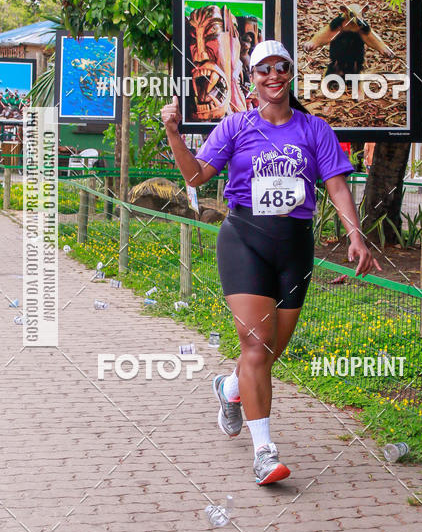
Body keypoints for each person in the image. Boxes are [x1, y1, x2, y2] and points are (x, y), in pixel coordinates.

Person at [161, 40, 381, 486]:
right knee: (257, 344)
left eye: (282, 67)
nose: (273, 75)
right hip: (244, 238)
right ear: (252, 78)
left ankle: (229, 389)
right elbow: (195, 176)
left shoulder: (314, 129)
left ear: (290, 73)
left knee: (269, 352)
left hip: (295, 245)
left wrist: (356, 235)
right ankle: (265, 452)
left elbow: (337, 187)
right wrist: (172, 133)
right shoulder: (235, 126)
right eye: (264, 70)